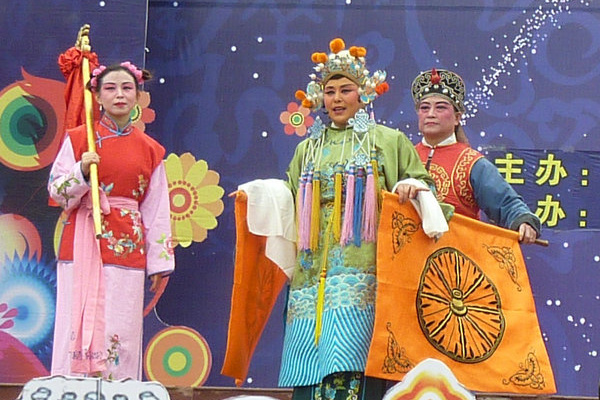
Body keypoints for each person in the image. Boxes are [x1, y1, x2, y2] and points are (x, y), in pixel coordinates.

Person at [232, 38, 451, 400]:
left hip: (363, 269)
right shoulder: (307, 149)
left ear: (363, 94)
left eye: (345, 90)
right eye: (329, 91)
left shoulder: (388, 141)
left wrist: (413, 187)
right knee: (310, 361)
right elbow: (289, 198)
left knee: (356, 359)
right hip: (312, 271)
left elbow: (427, 191)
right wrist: (257, 194)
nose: (336, 99)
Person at [47, 62, 174, 379]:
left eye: (127, 88)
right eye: (110, 88)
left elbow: (156, 209)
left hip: (126, 245)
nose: (119, 94)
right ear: (97, 96)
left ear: (138, 95)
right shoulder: (79, 140)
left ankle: (117, 388)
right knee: (74, 316)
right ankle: (72, 386)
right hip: (82, 241)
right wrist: (80, 171)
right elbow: (57, 192)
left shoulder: (151, 150)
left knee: (121, 322)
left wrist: (159, 263)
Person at [411, 68, 541, 243]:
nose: (431, 114)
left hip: (458, 254)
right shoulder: (405, 156)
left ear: (457, 118)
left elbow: (505, 202)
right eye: (424, 108)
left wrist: (523, 220)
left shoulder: (471, 163)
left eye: (440, 107)